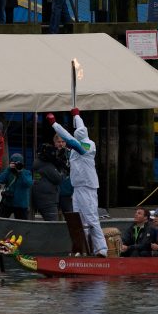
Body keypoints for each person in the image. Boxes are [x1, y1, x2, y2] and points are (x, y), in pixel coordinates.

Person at [49, 108, 107, 257]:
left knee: (91, 218)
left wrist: (54, 124)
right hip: (77, 188)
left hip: (88, 187)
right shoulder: (78, 143)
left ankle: (101, 249)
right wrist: (76, 115)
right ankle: (81, 249)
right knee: (78, 221)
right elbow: (77, 129)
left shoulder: (87, 146)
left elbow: (70, 140)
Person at [32, 142, 65, 221]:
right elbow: (58, 179)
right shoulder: (46, 165)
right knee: (52, 225)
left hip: (41, 197)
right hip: (48, 200)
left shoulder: (38, 163)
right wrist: (61, 168)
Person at [0, 154, 33, 220]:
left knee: (22, 226)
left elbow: (28, 184)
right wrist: (8, 169)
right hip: (7, 202)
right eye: (14, 163)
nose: (16, 165)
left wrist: (20, 172)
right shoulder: (9, 171)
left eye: (18, 163)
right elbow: (0, 180)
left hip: (21, 204)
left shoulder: (26, 172)